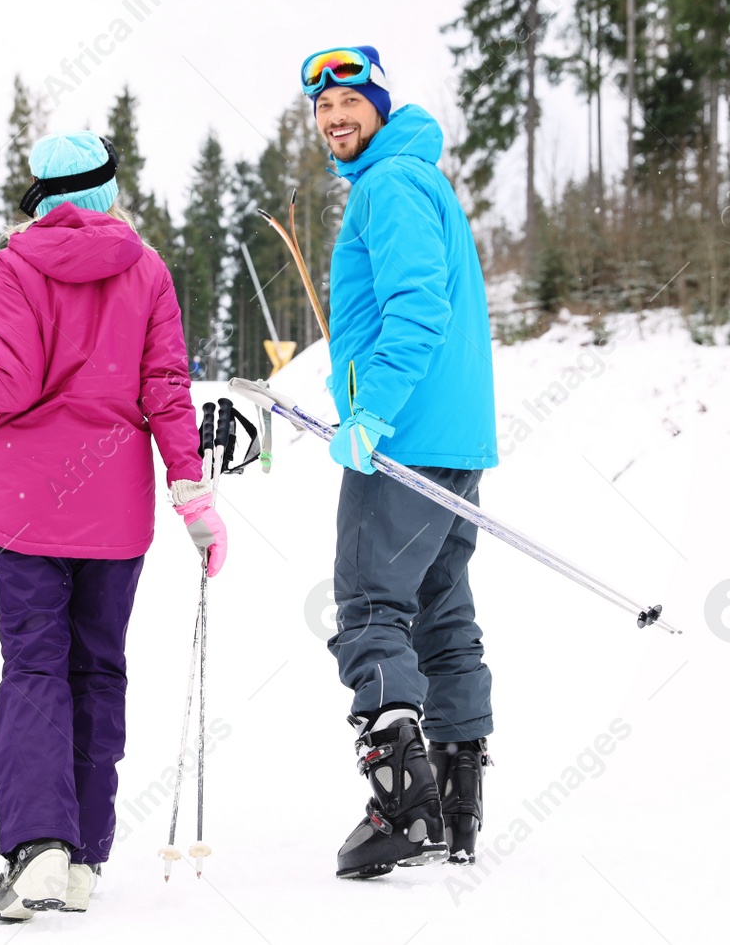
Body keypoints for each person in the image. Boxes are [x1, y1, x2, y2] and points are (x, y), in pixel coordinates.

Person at [0, 130, 228, 921]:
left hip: (30, 510)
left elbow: (12, 380)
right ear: (108, 194)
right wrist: (193, 498)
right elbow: (167, 390)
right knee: (98, 669)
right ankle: (83, 857)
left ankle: (39, 845)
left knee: (37, 666)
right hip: (115, 515)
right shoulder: (147, 271)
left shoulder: (19, 263)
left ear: (43, 195)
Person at [299, 46, 499, 879]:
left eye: (348, 101)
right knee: (440, 609)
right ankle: (457, 803)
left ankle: (403, 803)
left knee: (370, 604)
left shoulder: (388, 186)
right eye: (321, 109)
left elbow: (419, 307)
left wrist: (372, 406)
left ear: (379, 105)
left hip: (405, 439)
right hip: (453, 439)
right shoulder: (419, 178)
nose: (334, 118)